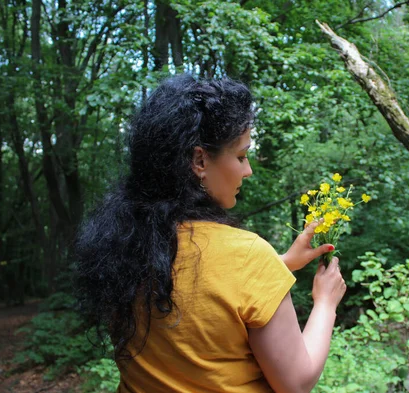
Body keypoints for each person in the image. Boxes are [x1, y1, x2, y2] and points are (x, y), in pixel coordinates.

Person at [74, 74, 346, 393]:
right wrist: (325, 303)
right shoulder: (245, 256)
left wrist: (279, 265)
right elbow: (296, 382)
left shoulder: (125, 244)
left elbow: (195, 292)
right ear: (200, 159)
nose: (248, 170)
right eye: (241, 156)